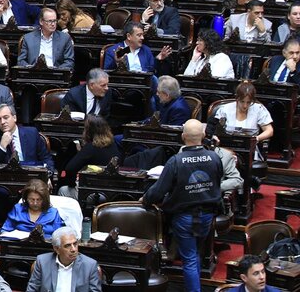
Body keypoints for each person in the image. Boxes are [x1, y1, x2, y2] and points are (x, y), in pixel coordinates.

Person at [141, 119, 223, 292]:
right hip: (208, 215)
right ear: (203, 135)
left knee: (190, 258)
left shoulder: (176, 161)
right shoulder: (214, 157)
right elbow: (217, 182)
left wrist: (146, 199)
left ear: (183, 137)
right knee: (196, 254)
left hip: (184, 216)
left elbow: (158, 191)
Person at [58, 116, 122, 199]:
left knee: (63, 190)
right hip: (112, 193)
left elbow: (70, 169)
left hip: (94, 193)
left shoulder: (91, 147)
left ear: (88, 131)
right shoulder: (113, 145)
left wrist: (72, 184)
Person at [26, 226, 102, 292]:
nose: (73, 249)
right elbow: (32, 290)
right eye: (67, 245)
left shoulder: (90, 265)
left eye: (75, 244)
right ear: (56, 249)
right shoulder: (42, 262)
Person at [0, 104, 54, 169]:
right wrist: (2, 147)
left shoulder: (32, 133)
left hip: (31, 175)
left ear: (14, 118)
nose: (2, 122)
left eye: (6, 117)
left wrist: (48, 175)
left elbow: (46, 159)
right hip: (6, 178)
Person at [213, 81, 274, 151]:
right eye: (242, 101)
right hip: (227, 147)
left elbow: (269, 131)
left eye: (248, 102)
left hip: (250, 148)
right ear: (237, 98)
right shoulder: (225, 109)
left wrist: (256, 139)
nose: (245, 106)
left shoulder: (259, 109)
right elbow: (213, 128)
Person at [1, 179, 65, 239]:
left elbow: (60, 236)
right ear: (26, 198)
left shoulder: (53, 213)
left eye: (39, 199)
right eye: (31, 199)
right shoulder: (18, 209)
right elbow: (4, 230)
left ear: (45, 199)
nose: (35, 203)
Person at [103, 21, 171, 72]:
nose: (142, 38)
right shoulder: (114, 50)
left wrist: (158, 59)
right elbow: (106, 72)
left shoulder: (145, 50)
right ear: (129, 36)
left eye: (143, 35)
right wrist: (117, 61)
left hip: (143, 83)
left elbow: (151, 71)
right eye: (139, 35)